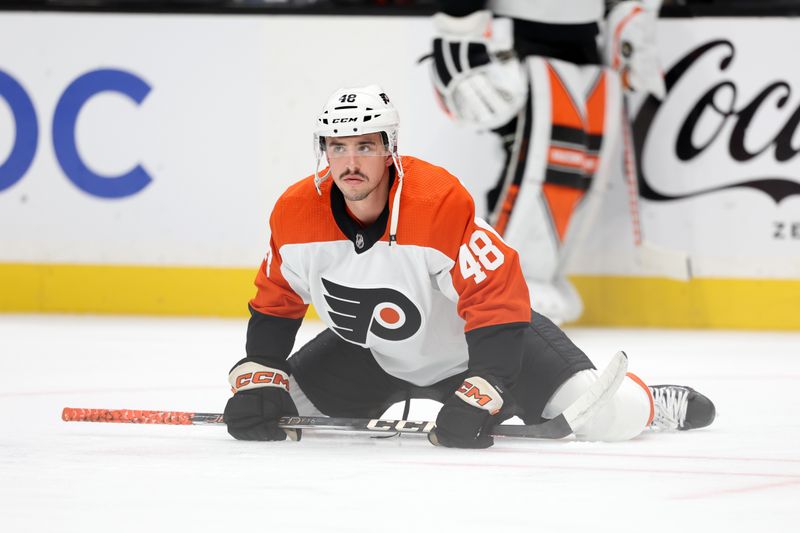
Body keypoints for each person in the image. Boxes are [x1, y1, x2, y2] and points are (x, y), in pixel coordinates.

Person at [223, 85, 714, 448]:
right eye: (338, 146)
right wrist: (262, 372)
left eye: (365, 146)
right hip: (369, 351)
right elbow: (277, 300)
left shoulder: (435, 201)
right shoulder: (295, 211)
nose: (350, 161)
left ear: (389, 149)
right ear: (323, 151)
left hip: (474, 348)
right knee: (283, 412)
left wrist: (485, 389)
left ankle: (651, 401)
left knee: (604, 419)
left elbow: (496, 298)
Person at [427, 0, 667, 323]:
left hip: (585, 35)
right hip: (516, 33)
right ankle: (499, 283)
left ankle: (539, 276)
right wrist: (458, 31)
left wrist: (633, 13)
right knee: (538, 161)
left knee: (574, 166)